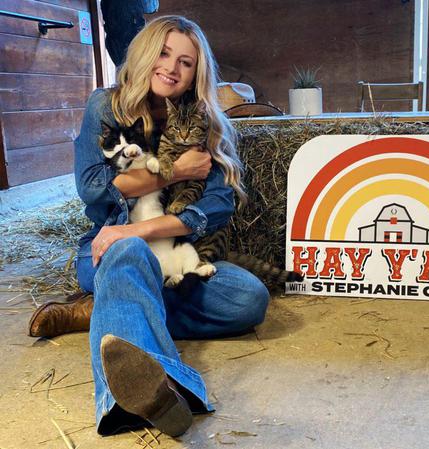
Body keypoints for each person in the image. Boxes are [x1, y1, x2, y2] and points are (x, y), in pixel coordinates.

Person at [31, 15, 270, 437]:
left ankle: (104, 310)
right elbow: (93, 187)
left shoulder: (204, 120)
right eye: (163, 53)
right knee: (126, 254)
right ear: (145, 53)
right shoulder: (106, 106)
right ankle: (155, 390)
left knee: (248, 299)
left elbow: (215, 206)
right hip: (110, 249)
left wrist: (138, 229)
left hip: (171, 254)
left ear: (196, 73)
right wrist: (176, 172)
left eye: (185, 62)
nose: (171, 68)